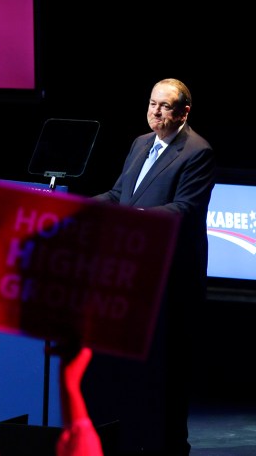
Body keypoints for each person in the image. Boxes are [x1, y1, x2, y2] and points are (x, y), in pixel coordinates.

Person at [89, 77, 215, 456]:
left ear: (184, 112)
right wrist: (81, 207)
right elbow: (118, 194)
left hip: (169, 280)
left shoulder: (197, 152)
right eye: (151, 103)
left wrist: (134, 218)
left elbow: (184, 210)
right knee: (125, 369)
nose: (155, 111)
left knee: (166, 371)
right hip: (131, 273)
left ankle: (170, 445)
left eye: (164, 106)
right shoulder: (139, 144)